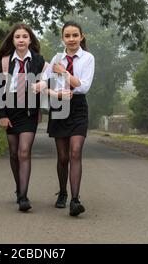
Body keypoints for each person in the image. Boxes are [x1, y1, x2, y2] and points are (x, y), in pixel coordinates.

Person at [40, 21, 95, 216]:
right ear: (62, 38)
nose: (71, 39)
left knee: (75, 153)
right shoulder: (56, 58)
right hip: (59, 107)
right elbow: (42, 84)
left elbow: (83, 87)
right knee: (63, 157)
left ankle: (75, 200)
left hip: (78, 108)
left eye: (75, 35)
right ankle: (62, 193)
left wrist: (63, 72)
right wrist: (54, 94)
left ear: (82, 36)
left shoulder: (88, 58)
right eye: (67, 36)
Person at [0, 23, 46, 212]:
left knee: (24, 152)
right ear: (13, 40)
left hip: (29, 111)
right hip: (10, 109)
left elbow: (49, 78)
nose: (21, 40)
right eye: (17, 37)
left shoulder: (39, 60)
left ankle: (23, 197)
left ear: (30, 40)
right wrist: (2, 115)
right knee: (14, 153)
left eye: (25, 36)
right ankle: (18, 188)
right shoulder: (6, 61)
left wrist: (43, 85)